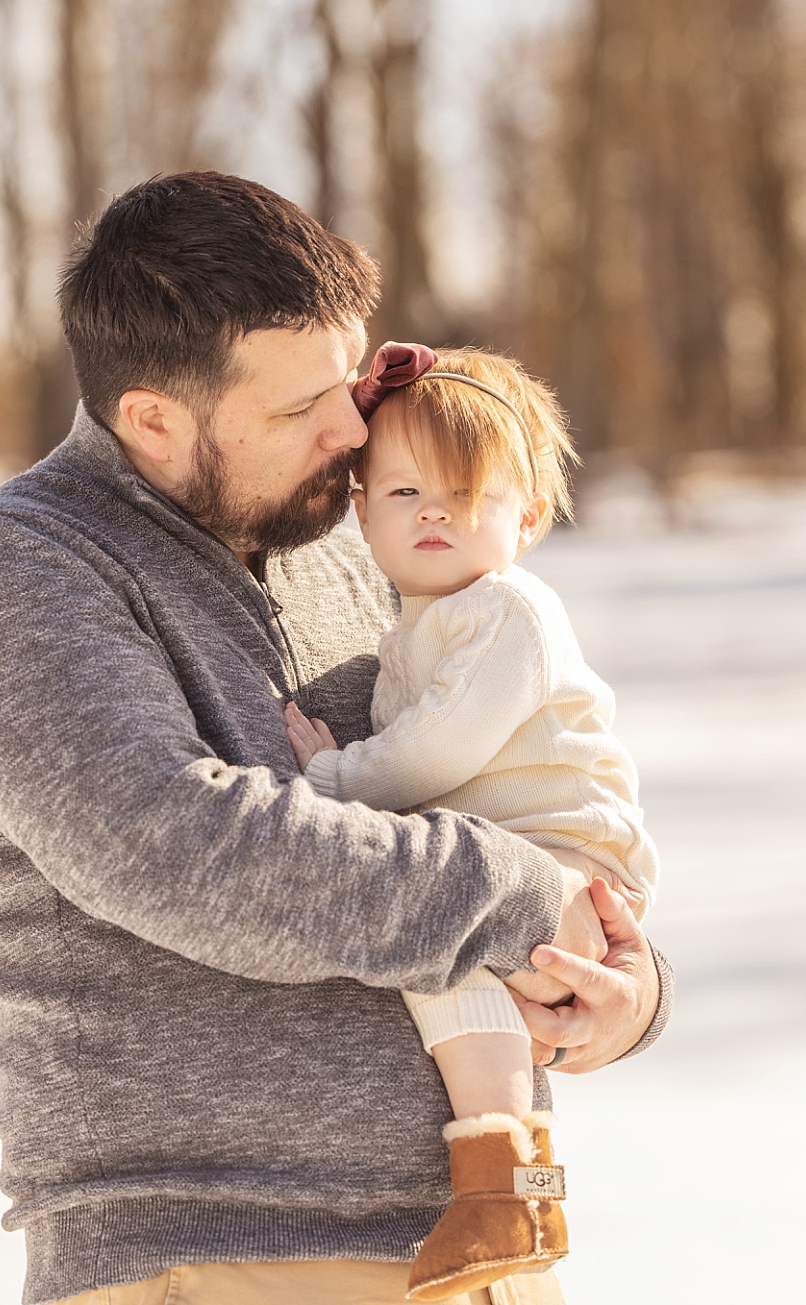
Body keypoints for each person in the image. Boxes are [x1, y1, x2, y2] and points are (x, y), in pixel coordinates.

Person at [0, 172, 668, 1305]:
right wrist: (523, 899)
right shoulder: (15, 572)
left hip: (478, 1238)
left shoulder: (343, 538)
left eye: (348, 379)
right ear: (152, 419)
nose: (351, 427)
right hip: (224, 1243)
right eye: (298, 408)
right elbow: (182, 848)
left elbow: (498, 782)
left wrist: (615, 984)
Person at [282, 342, 660, 1299]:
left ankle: (506, 1191)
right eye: (406, 494)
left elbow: (432, 753)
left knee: (441, 947)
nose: (437, 513)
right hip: (516, 848)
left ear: (527, 516)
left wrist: (326, 778)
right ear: (360, 510)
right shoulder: (423, 617)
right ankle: (522, 1191)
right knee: (462, 965)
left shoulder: (507, 612)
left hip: (560, 847)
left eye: (469, 493)